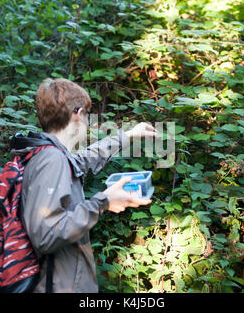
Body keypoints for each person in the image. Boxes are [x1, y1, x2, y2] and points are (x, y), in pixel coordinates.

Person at [10, 78, 160, 293]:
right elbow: (46, 235)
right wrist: (102, 202)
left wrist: (127, 135)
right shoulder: (51, 160)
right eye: (87, 116)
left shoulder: (48, 154)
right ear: (79, 114)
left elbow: (82, 160)